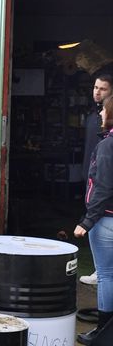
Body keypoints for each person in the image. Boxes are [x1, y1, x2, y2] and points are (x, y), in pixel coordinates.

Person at [74, 95, 113, 345]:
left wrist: (87, 221)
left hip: (107, 220)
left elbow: (104, 187)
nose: (99, 114)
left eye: (104, 110)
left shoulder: (108, 145)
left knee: (107, 275)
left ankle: (103, 333)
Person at [80, 74, 113, 286]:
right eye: (95, 87)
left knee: (98, 222)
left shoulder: (108, 123)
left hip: (104, 180)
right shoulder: (95, 116)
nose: (97, 92)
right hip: (93, 176)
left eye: (102, 89)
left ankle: (101, 269)